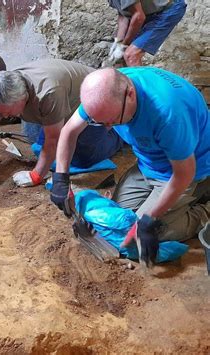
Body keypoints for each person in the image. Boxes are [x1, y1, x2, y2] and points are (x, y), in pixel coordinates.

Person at [51, 67, 209, 267]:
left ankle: (204, 210)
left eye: (112, 120)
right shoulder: (104, 90)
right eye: (99, 122)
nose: (108, 128)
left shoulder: (169, 112)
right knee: (120, 222)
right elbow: (69, 131)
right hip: (149, 163)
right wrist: (61, 178)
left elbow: (184, 174)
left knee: (147, 236)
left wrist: (150, 219)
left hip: (187, 169)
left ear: (131, 95)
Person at [0, 59, 123, 188]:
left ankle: (119, 134)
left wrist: (36, 175)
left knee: (82, 158)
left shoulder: (48, 93)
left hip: (93, 100)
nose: (5, 116)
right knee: (32, 135)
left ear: (23, 97)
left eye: (7, 111)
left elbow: (53, 141)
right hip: (60, 102)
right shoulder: (3, 90)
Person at [106, 0, 187, 66]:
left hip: (168, 10)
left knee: (131, 55)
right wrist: (118, 42)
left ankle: (139, 86)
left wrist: (123, 45)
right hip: (148, 14)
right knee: (120, 60)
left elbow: (138, 17)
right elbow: (123, 15)